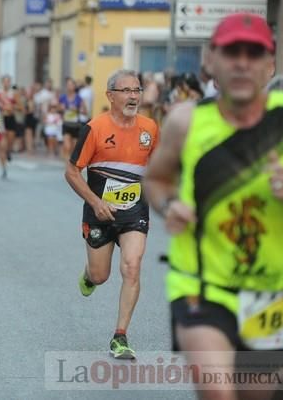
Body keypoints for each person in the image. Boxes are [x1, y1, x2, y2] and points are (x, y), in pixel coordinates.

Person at [143, 13, 283, 397]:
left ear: (270, 64)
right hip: (202, 283)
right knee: (217, 391)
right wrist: (170, 204)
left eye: (253, 52)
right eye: (231, 52)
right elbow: (156, 179)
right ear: (210, 61)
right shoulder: (186, 122)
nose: (242, 62)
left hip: (274, 293)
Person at [64, 69, 159, 360]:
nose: (133, 96)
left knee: (132, 266)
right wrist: (95, 202)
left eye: (137, 90)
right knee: (101, 275)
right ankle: (89, 276)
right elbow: (71, 172)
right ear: (110, 96)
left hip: (134, 211)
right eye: (126, 91)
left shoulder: (150, 129)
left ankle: (120, 335)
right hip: (100, 212)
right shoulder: (95, 128)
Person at [59, 77, 88, 161]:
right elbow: (57, 109)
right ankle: (67, 164)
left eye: (71, 85)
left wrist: (77, 109)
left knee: (74, 148)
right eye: (68, 85)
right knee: (67, 146)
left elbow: (85, 111)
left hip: (76, 125)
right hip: (66, 124)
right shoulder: (62, 97)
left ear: (74, 86)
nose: (69, 86)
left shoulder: (79, 98)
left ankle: (71, 162)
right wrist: (61, 108)